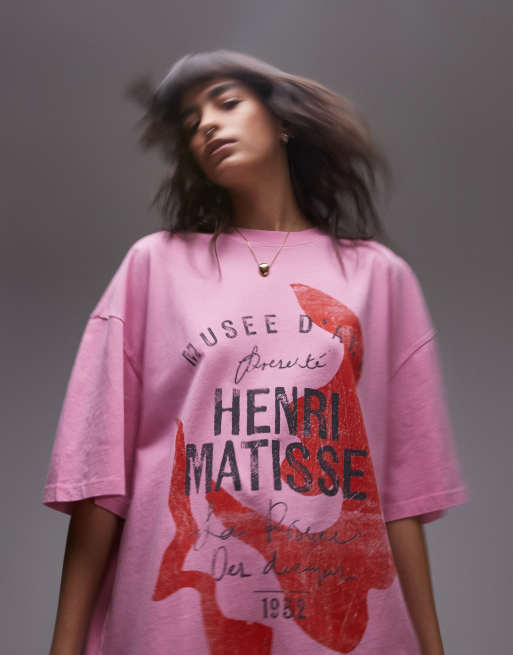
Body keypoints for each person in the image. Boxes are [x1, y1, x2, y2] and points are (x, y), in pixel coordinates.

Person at [42, 49, 470, 655]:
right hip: (178, 631)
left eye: (227, 103)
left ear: (283, 120)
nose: (207, 126)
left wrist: (433, 648)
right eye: (192, 122)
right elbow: (100, 483)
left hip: (341, 626)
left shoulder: (379, 278)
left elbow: (401, 498)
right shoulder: (153, 268)